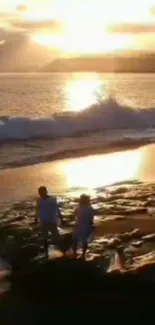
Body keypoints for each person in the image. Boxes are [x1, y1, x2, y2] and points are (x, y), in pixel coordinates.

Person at [35, 186, 65, 258]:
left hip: (52, 221)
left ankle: (63, 251)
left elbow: (57, 209)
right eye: (39, 192)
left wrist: (61, 218)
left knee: (57, 238)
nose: (40, 194)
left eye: (42, 192)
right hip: (43, 222)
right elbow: (37, 209)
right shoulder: (39, 200)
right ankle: (46, 254)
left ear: (46, 191)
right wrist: (35, 218)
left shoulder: (52, 199)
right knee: (44, 238)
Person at [72, 194, 95, 259]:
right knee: (84, 241)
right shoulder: (90, 208)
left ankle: (75, 253)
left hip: (79, 225)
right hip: (85, 225)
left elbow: (75, 213)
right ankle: (83, 254)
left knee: (75, 240)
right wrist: (91, 226)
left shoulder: (79, 207)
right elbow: (91, 219)